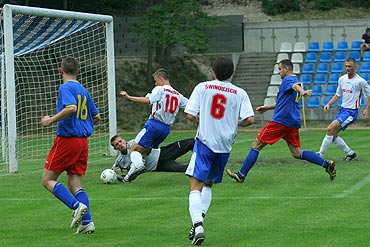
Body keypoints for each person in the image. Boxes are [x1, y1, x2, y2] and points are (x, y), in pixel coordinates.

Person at [226, 59, 336, 185]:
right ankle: (326, 164)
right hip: (292, 122)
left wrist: (303, 92)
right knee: (297, 153)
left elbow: (296, 87)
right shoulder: (294, 80)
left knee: (256, 145)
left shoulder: (289, 80)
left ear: (287, 69)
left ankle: (241, 175)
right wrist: (266, 107)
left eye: (279, 69)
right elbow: (283, 101)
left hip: (281, 121)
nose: (278, 72)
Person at [185, 57, 255, 246]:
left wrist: (199, 120)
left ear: (213, 71)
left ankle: (198, 226)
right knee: (208, 184)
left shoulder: (203, 87)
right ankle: (199, 220)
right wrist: (236, 123)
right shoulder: (239, 93)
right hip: (224, 147)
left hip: (205, 142)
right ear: (231, 73)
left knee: (195, 185)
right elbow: (250, 119)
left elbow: (190, 114)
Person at [40, 57, 101, 234]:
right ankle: (87, 223)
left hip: (68, 140)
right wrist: (84, 124)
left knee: (47, 180)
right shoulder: (84, 90)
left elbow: (71, 108)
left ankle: (76, 206)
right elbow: (96, 117)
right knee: (75, 185)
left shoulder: (66, 87)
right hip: (83, 142)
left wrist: (50, 120)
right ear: (78, 71)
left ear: (61, 70)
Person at [119, 69, 188, 183]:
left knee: (133, 150)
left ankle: (139, 166)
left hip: (154, 124)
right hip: (166, 129)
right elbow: (190, 106)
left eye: (156, 81)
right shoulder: (178, 95)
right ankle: (127, 178)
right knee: (144, 152)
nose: (155, 84)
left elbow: (148, 100)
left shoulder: (160, 89)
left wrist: (129, 97)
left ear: (161, 79)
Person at [317, 58, 370, 160]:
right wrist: (328, 104)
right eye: (346, 66)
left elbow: (369, 95)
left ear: (355, 67)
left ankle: (320, 154)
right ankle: (350, 153)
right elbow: (338, 95)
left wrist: (367, 109)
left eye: (350, 66)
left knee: (330, 129)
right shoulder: (342, 79)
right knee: (333, 134)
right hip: (342, 110)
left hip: (351, 112)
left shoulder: (360, 81)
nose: (347, 68)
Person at [109, 135, 195, 182]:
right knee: (182, 169)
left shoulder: (134, 143)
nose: (120, 144)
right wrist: (113, 175)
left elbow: (148, 149)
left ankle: (204, 158)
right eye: (117, 144)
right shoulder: (120, 160)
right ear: (115, 149)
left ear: (124, 140)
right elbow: (113, 171)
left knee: (190, 142)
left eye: (120, 141)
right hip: (158, 166)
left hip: (162, 153)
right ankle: (203, 168)